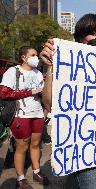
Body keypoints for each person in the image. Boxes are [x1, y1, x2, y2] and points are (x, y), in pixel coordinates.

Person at [40, 14, 96, 189]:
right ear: (79, 38)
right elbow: (49, 104)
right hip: (85, 149)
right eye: (93, 34)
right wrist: (51, 65)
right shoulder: (66, 64)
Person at [0, 46, 49, 189]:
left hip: (38, 114)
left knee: (35, 145)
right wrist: (31, 92)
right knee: (22, 147)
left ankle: (36, 171)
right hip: (21, 115)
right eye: (33, 55)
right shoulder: (13, 71)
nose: (36, 57)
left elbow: (43, 93)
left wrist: (43, 93)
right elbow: (4, 93)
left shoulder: (38, 73)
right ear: (24, 57)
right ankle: (20, 178)